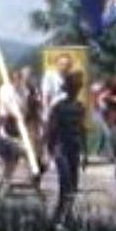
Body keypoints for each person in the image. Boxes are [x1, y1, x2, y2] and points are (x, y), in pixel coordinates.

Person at [47, 72, 87, 221]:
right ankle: (60, 214)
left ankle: (66, 214)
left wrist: (84, 153)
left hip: (73, 148)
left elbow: (82, 130)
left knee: (73, 183)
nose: (76, 90)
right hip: (62, 147)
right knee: (66, 181)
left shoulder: (80, 107)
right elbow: (52, 128)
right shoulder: (59, 107)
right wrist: (50, 149)